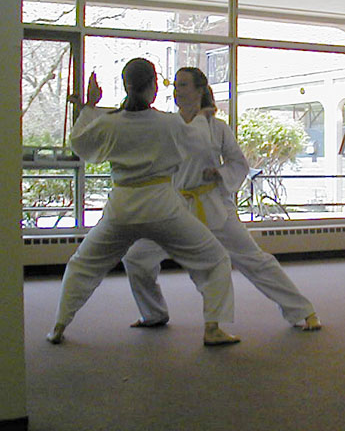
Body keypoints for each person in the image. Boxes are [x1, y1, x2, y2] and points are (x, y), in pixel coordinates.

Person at [47, 58, 240, 347]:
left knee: (82, 265)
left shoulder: (111, 123)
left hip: (121, 211)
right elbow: (198, 139)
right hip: (164, 209)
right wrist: (202, 114)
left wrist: (89, 107)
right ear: (152, 87)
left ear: (126, 86)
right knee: (216, 259)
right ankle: (212, 327)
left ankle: (59, 326)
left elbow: (80, 143)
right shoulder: (169, 123)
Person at [121, 67, 322, 332]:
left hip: (213, 205)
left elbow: (239, 163)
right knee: (136, 258)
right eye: (176, 85)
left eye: (183, 85)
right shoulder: (168, 125)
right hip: (175, 208)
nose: (177, 90)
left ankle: (302, 310)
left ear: (199, 90)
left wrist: (220, 173)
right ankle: (153, 313)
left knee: (254, 260)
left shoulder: (218, 128)